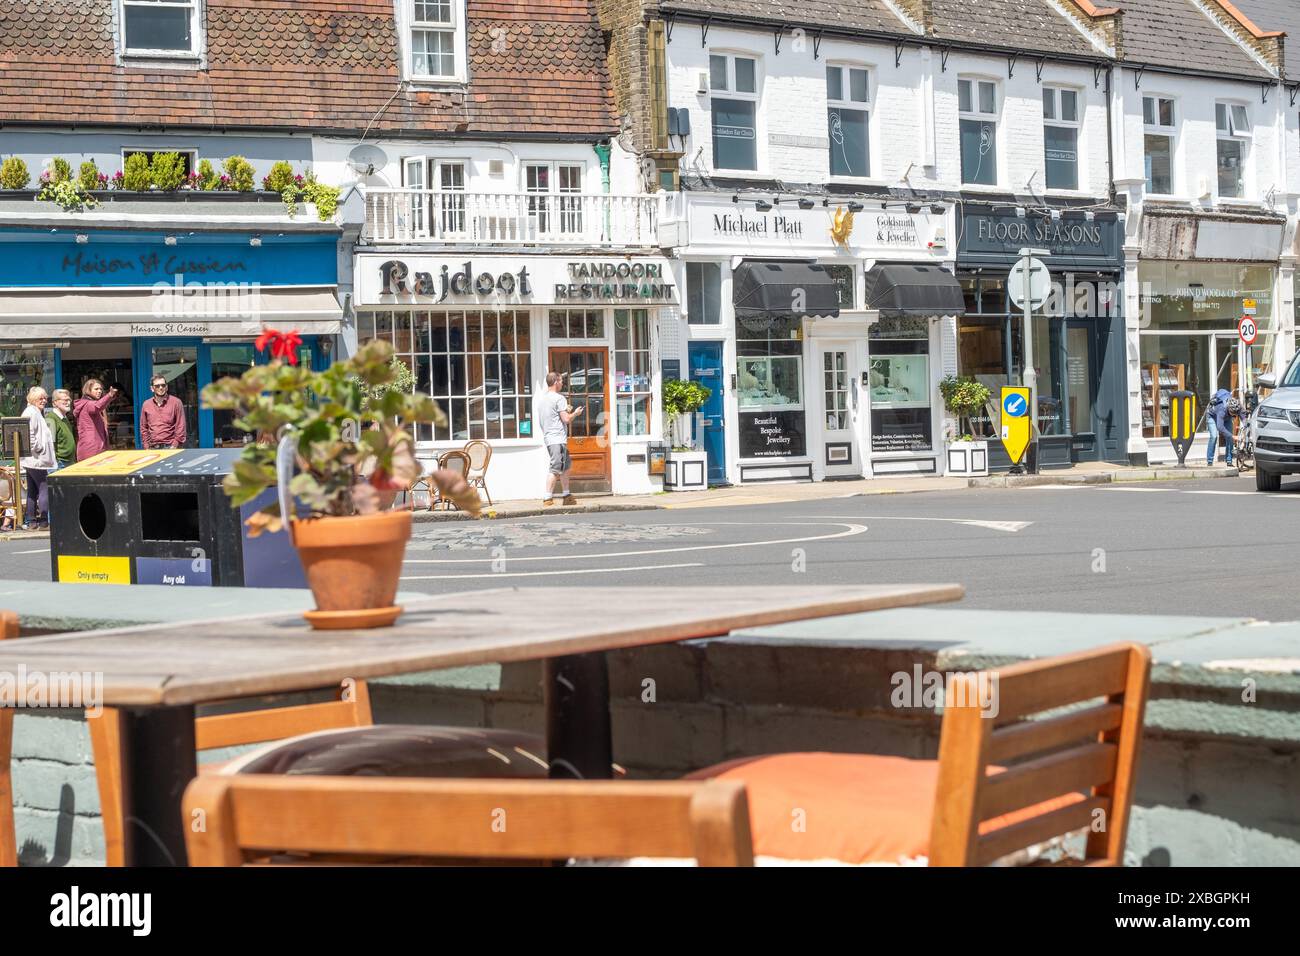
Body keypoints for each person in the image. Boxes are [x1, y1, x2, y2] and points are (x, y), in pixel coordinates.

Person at [539, 370, 583, 507]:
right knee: (555, 468)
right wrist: (576, 413)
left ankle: (566, 495)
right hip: (557, 439)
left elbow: (547, 419)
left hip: (550, 438)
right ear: (556, 382)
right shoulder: (559, 398)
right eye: (561, 381)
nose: (563, 383)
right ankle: (547, 498)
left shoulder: (542, 399)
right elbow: (566, 419)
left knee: (565, 467)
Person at [19, 387, 56, 531]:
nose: (44, 400)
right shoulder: (31, 412)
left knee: (32, 490)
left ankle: (32, 521)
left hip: (33, 459)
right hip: (36, 459)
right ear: (33, 398)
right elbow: (28, 434)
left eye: (45, 398)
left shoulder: (34, 412)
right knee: (44, 486)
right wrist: (38, 449)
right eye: (41, 398)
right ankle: (43, 521)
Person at [73, 377, 119, 461]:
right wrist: (109, 395)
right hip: (92, 448)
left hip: (95, 446)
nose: (99, 391)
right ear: (88, 390)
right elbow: (97, 406)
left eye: (101, 389)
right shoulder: (87, 404)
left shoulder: (88, 403)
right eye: (96, 389)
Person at [139, 374, 187, 449]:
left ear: (166, 387)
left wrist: (174, 446)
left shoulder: (176, 402)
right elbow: (144, 428)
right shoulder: (146, 404)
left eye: (163, 385)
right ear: (152, 388)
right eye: (157, 386)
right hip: (153, 448)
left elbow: (181, 426)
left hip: (171, 447)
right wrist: (146, 447)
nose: (161, 388)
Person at [45, 388, 77, 470]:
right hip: (59, 464)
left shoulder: (64, 418)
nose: (68, 402)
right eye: (64, 400)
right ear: (55, 403)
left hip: (69, 462)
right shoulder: (51, 419)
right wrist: (56, 463)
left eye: (69, 400)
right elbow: (49, 444)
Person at [1205, 388, 1239, 466]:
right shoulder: (1222, 409)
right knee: (1214, 436)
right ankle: (1210, 461)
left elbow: (1243, 414)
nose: (1233, 416)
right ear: (1228, 409)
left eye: (1235, 414)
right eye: (1232, 414)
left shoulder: (1236, 405)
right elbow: (1220, 427)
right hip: (1212, 416)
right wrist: (1233, 436)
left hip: (1226, 417)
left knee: (1229, 438)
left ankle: (1229, 461)